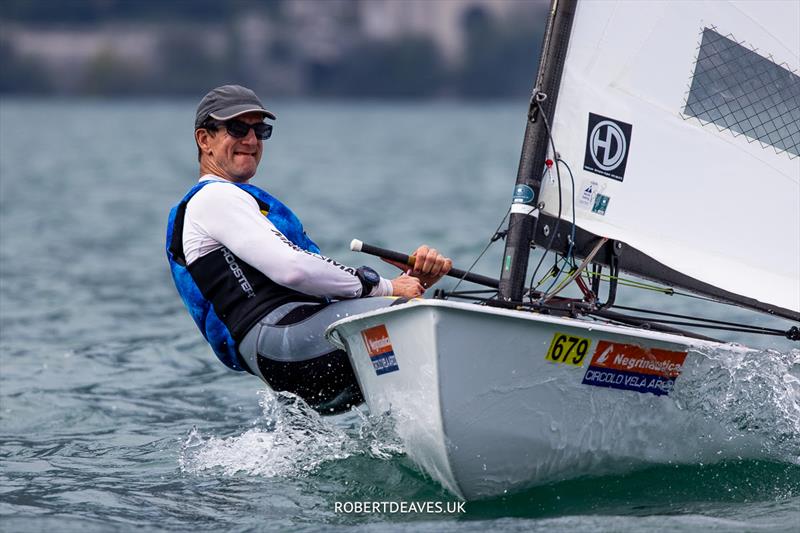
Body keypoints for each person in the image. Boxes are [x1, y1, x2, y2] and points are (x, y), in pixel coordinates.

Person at [166, 85, 452, 414]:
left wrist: (411, 282)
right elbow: (294, 270)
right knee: (418, 320)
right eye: (237, 128)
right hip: (286, 345)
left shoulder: (234, 206)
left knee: (410, 321)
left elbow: (310, 289)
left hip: (292, 359)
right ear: (204, 140)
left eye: (260, 130)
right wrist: (388, 289)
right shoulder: (213, 198)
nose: (251, 140)